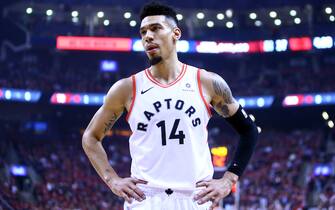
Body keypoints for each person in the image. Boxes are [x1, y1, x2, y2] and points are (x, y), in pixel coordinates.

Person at [82, 2, 258, 210]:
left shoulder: (207, 82)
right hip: (146, 198)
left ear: (176, 33)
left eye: (156, 28)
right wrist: (112, 179)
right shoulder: (126, 88)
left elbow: (249, 130)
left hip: (195, 198)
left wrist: (228, 179)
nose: (148, 36)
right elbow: (90, 137)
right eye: (143, 32)